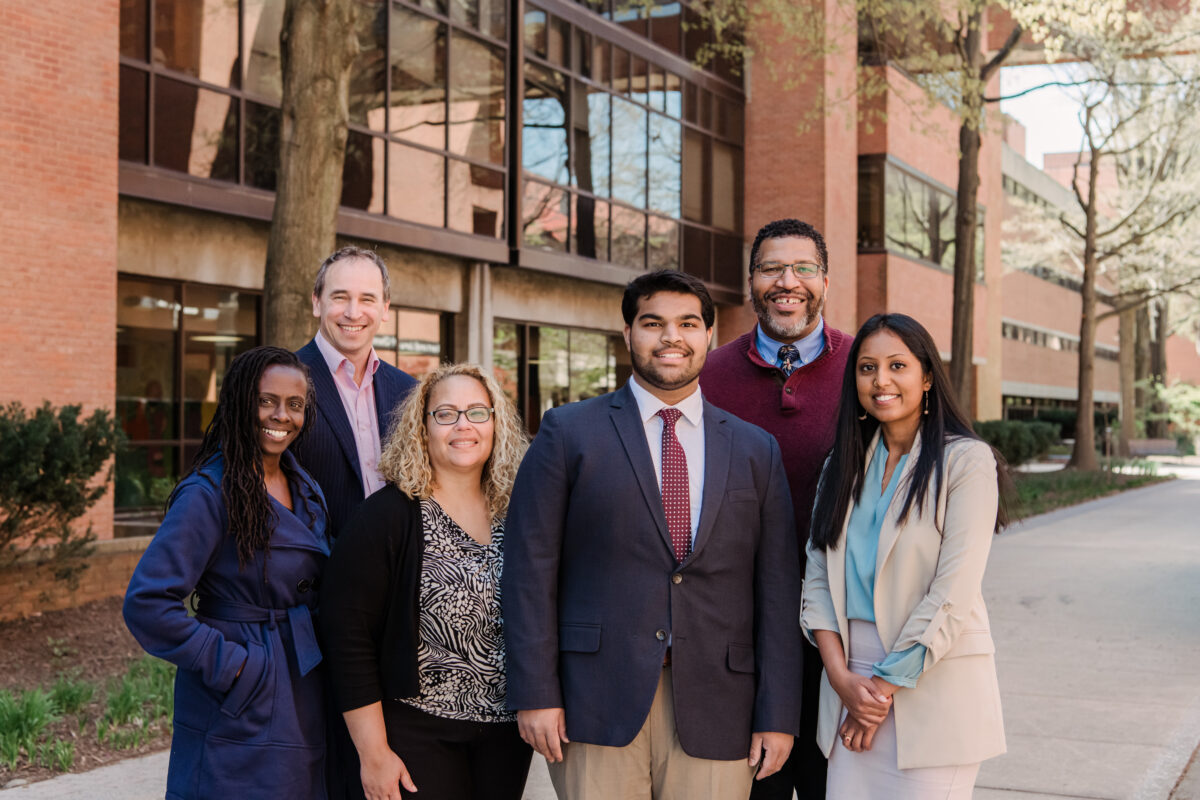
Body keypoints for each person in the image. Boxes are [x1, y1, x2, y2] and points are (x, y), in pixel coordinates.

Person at [503, 270, 802, 800]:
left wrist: (779, 714)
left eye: (688, 323)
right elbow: (529, 572)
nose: (671, 337)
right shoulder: (568, 433)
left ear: (708, 335)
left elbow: (777, 592)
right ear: (627, 333)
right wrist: (535, 693)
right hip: (593, 701)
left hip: (718, 703)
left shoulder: (756, 450)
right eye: (653, 323)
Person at [802, 313, 1009, 798]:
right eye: (867, 368)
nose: (882, 381)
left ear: (928, 377)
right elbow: (815, 582)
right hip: (848, 680)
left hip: (932, 685)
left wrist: (878, 693)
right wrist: (840, 680)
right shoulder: (841, 466)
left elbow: (952, 594)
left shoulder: (967, 462)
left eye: (898, 365)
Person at [123, 346, 330, 799]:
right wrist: (233, 665)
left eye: (294, 405)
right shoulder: (208, 492)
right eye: (266, 400)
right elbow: (147, 603)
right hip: (239, 692)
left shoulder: (304, 484)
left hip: (302, 681)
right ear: (240, 402)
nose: (281, 415)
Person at [321, 363, 533, 800]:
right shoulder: (386, 517)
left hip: (506, 734)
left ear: (496, 424)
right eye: (446, 414)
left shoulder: (517, 514)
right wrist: (374, 752)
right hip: (416, 732)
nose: (463, 426)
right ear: (422, 427)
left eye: (477, 412)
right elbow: (347, 639)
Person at [701, 218, 851, 800]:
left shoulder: (866, 370)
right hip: (736, 636)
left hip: (840, 632)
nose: (787, 282)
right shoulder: (706, 376)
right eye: (771, 268)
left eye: (803, 268)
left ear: (825, 280)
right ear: (750, 282)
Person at [294, 245, 417, 539]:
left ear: (384, 308)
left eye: (367, 299)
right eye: (340, 297)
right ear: (316, 303)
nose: (353, 312)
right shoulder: (281, 382)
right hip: (313, 575)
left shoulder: (409, 391)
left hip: (395, 573)